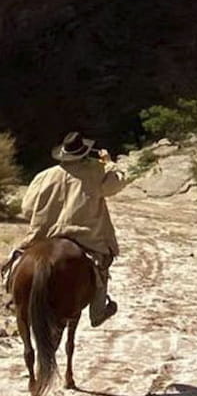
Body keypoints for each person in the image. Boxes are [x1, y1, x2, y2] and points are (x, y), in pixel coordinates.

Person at [1, 131, 125, 327]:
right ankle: (98, 311)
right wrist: (109, 163)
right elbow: (116, 184)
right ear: (84, 153)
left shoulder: (45, 176)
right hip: (86, 237)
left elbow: (27, 209)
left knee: (15, 259)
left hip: (44, 235)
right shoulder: (97, 170)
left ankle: (13, 296)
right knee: (101, 265)